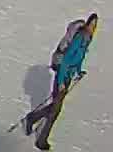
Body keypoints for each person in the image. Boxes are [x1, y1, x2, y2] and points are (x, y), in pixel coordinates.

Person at [25, 12, 96, 148]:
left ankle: (32, 118)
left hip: (68, 76)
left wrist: (79, 71)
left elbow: (79, 58)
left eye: (95, 25)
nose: (92, 27)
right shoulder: (79, 38)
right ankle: (41, 140)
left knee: (55, 106)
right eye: (91, 24)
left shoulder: (87, 39)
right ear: (87, 24)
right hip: (62, 75)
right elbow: (65, 61)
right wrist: (62, 81)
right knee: (55, 111)